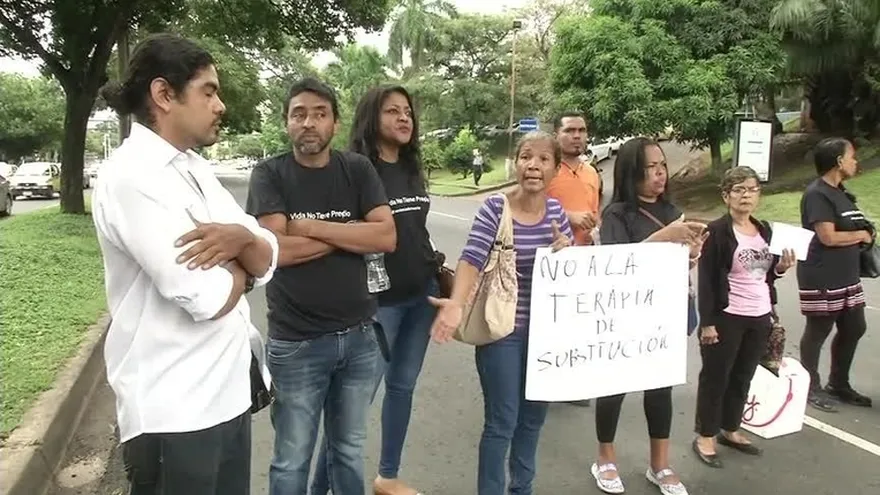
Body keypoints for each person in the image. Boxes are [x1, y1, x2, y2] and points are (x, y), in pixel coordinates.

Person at [92, 33, 278, 495]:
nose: (220, 105)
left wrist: (239, 243)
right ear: (164, 95)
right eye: (209, 91)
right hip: (176, 411)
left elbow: (269, 251)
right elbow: (203, 295)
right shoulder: (130, 177)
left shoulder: (192, 167)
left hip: (229, 395)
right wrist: (244, 262)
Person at [245, 77, 396, 495]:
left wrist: (309, 226)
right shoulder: (269, 174)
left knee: (348, 450)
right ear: (286, 123)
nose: (308, 122)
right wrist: (351, 232)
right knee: (292, 459)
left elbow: (386, 237)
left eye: (319, 113)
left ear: (334, 122)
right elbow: (276, 250)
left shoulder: (358, 169)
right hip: (297, 345)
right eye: (298, 114)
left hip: (360, 337)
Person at [429, 131, 573, 495]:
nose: (533, 166)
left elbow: (572, 275)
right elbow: (471, 258)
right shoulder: (496, 208)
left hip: (545, 337)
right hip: (500, 332)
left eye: (543, 159)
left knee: (532, 421)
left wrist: (565, 250)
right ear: (516, 163)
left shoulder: (556, 213)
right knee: (503, 421)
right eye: (526, 157)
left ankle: (521, 489)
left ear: (555, 168)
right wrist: (456, 304)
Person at [310, 85, 438, 495]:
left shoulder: (412, 166)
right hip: (376, 305)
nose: (404, 118)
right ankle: (319, 489)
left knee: (403, 387)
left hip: (422, 297)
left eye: (407, 112)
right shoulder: (355, 171)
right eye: (392, 111)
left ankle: (387, 476)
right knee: (352, 410)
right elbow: (343, 235)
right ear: (372, 118)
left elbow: (416, 230)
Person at [591, 137, 706, 495]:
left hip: (665, 314)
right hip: (626, 316)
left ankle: (660, 465)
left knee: (660, 389)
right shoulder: (617, 214)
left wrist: (690, 254)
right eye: (650, 168)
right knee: (615, 387)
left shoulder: (672, 211)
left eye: (662, 166)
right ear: (631, 172)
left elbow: (678, 263)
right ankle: (605, 459)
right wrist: (664, 237)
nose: (659, 174)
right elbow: (617, 265)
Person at [692, 166, 796, 467]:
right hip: (727, 316)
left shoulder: (764, 230)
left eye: (752, 189)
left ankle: (730, 428)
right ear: (726, 196)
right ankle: (706, 435)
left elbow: (766, 275)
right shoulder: (716, 232)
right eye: (738, 190)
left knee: (743, 375)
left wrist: (780, 268)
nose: (746, 195)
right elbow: (708, 281)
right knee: (716, 377)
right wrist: (708, 323)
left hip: (760, 315)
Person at [797, 137, 873, 412]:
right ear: (839, 162)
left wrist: (866, 232)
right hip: (822, 275)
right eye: (851, 156)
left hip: (847, 276)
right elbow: (827, 237)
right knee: (818, 330)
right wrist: (861, 234)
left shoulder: (841, 192)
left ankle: (838, 383)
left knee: (855, 327)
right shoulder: (818, 194)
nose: (855, 161)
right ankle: (809, 386)